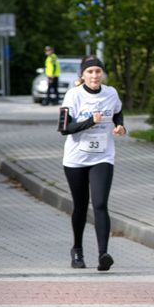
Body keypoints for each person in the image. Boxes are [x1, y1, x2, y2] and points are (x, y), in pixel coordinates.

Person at [58, 55, 126, 271]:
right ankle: (77, 250)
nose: (95, 75)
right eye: (90, 72)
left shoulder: (111, 93)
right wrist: (90, 122)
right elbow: (64, 128)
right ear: (83, 75)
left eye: (98, 71)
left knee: (99, 204)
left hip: (103, 157)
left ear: (102, 74)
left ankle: (103, 254)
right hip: (76, 159)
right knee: (80, 206)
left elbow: (117, 112)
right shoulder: (73, 95)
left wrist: (120, 126)